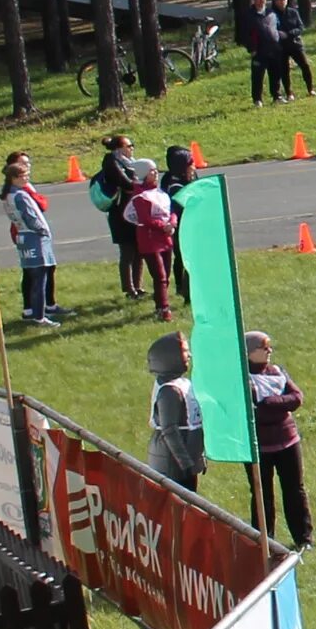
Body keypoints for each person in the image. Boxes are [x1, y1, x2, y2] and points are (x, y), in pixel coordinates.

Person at [246, 330, 311, 549]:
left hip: (288, 440)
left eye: (269, 346)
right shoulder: (245, 380)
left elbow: (296, 398)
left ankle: (303, 538)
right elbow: (258, 414)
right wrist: (279, 406)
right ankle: (264, 540)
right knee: (262, 493)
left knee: (295, 489)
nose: (269, 351)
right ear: (249, 353)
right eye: (263, 348)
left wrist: (270, 402)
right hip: (259, 446)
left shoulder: (277, 371)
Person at [0, 153, 58, 324]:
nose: (27, 177)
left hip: (23, 236)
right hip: (33, 237)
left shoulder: (8, 195)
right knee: (39, 277)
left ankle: (33, 311)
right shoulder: (20, 195)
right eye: (24, 175)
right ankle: (39, 315)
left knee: (33, 275)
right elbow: (31, 217)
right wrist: (42, 230)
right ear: (15, 178)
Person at [146, 332, 205, 491]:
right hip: (172, 459)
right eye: (185, 351)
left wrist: (197, 457)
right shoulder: (170, 391)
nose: (189, 355)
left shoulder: (182, 383)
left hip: (183, 457)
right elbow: (169, 430)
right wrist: (185, 462)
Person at [92, 134, 146, 295]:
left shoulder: (129, 163)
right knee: (128, 251)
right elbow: (126, 184)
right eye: (129, 146)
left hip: (134, 210)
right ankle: (129, 288)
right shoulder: (112, 162)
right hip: (120, 212)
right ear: (119, 148)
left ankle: (138, 286)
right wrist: (139, 184)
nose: (132, 149)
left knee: (139, 250)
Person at [126, 169, 177, 320]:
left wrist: (172, 223)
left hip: (165, 237)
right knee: (159, 275)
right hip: (149, 240)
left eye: (155, 171)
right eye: (151, 171)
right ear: (143, 174)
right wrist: (164, 226)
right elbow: (145, 219)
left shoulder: (159, 192)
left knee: (166, 275)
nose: (156, 174)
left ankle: (160, 300)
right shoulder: (140, 196)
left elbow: (171, 211)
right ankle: (163, 308)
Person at [269, 0, 316, 96]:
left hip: (295, 44)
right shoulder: (272, 14)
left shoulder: (293, 12)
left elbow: (300, 27)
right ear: (275, 1)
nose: (282, 1)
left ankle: (310, 89)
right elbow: (270, 29)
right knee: (284, 70)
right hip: (281, 46)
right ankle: (289, 93)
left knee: (305, 65)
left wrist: (289, 34)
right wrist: (279, 35)